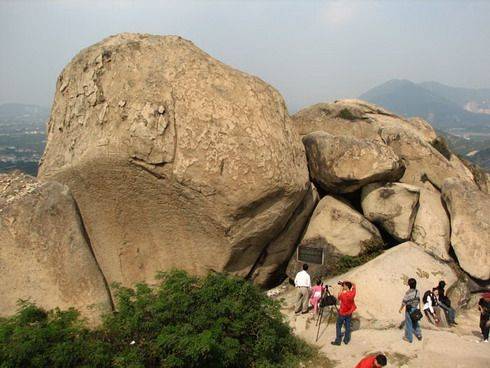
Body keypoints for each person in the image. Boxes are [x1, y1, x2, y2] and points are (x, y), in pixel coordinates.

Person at [331, 280, 356, 346]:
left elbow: (338, 298)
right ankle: (346, 340)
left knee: (338, 325)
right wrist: (346, 282)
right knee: (347, 326)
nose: (343, 286)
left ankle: (338, 340)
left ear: (347, 286)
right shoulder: (352, 293)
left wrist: (340, 288)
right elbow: (354, 285)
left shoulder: (343, 294)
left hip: (342, 313)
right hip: (349, 312)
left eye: (344, 285)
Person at [399, 278, 422, 343]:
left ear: (409, 284)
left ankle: (409, 338)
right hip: (415, 309)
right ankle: (419, 334)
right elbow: (418, 300)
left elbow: (404, 301)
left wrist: (400, 308)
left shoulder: (408, 292)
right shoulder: (417, 291)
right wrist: (419, 308)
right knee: (416, 322)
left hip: (409, 309)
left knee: (409, 323)